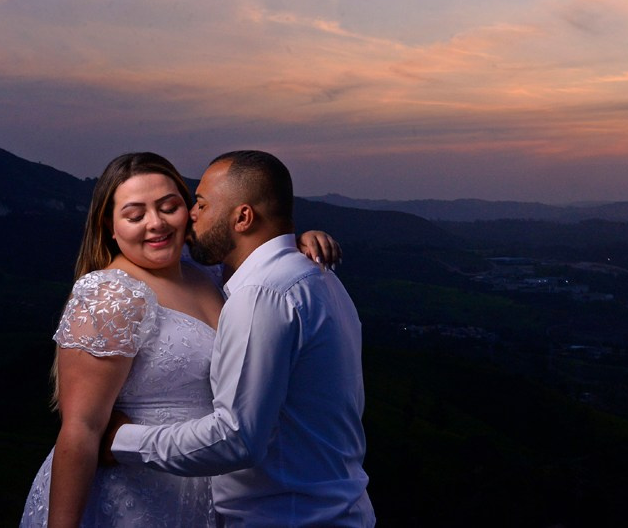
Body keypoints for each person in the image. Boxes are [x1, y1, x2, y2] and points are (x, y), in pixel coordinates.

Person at [19, 152, 340, 528]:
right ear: (110, 225)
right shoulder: (109, 294)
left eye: (169, 207)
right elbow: (81, 430)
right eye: (135, 215)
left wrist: (293, 244)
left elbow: (257, 259)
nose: (156, 224)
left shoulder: (211, 273)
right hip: (129, 499)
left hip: (214, 490)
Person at [106, 150, 374, 527]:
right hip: (337, 510)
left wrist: (120, 439)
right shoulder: (320, 277)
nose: (190, 214)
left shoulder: (261, 295)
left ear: (243, 217)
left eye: (200, 204)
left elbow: (238, 439)